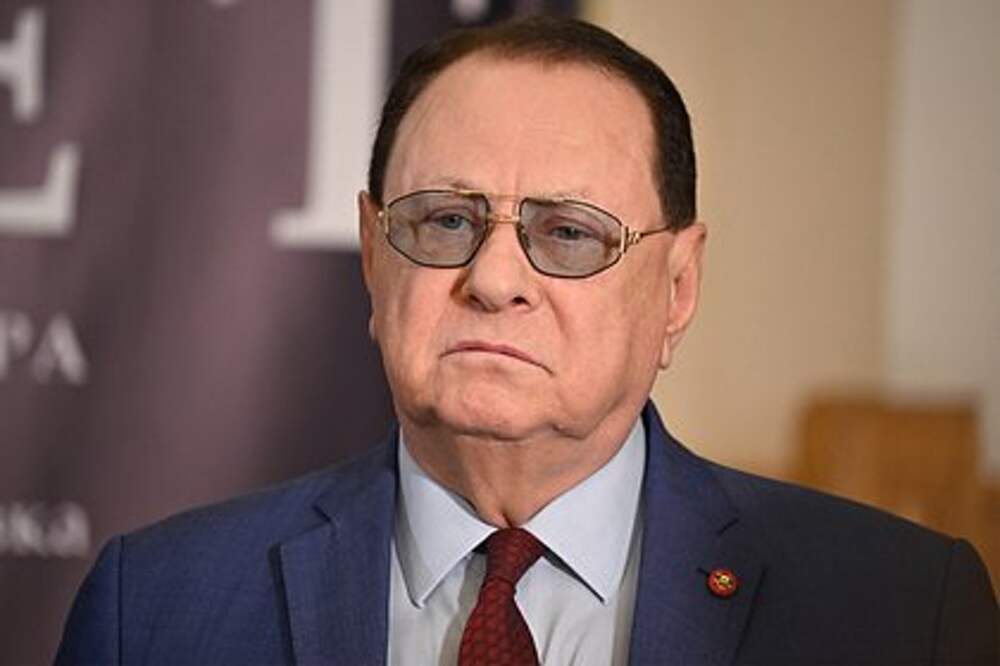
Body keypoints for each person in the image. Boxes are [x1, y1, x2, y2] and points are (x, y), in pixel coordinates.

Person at [56, 16, 997, 665]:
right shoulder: (156, 609)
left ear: (677, 288)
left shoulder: (904, 612)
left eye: (569, 232)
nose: (495, 279)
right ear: (374, 259)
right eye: (445, 221)